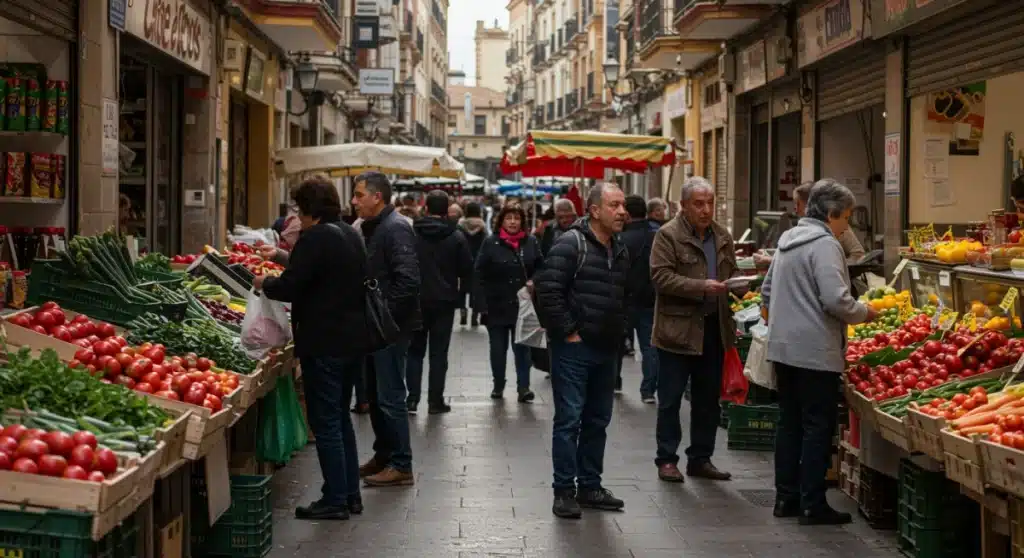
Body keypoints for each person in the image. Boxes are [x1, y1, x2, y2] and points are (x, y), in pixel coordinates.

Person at [761, 179, 876, 525]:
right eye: (846, 218)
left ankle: (786, 498)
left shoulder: (787, 240)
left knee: (790, 424)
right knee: (816, 426)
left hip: (783, 349)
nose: (846, 227)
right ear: (831, 214)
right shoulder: (825, 245)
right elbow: (836, 300)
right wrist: (865, 312)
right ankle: (813, 503)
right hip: (814, 351)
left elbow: (767, 291)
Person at [254, 177, 370, 520]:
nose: (297, 214)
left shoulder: (314, 238)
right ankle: (350, 494)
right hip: (352, 340)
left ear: (307, 208)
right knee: (340, 419)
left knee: (326, 422)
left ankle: (335, 499)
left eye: (298, 207)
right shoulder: (349, 233)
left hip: (324, 342)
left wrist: (265, 283)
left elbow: (293, 285)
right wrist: (279, 256)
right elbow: (321, 274)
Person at [534, 182, 630, 520]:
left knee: (597, 420)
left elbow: (622, 293)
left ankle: (590, 485)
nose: (622, 211)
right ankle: (564, 491)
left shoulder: (619, 247)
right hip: (575, 349)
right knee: (569, 420)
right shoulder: (570, 244)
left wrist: (621, 332)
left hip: (607, 348)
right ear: (594, 210)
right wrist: (568, 331)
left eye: (622, 205)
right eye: (615, 205)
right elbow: (547, 291)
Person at [650, 176, 743, 484]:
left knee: (707, 400)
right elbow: (661, 278)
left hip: (713, 330)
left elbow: (731, 272)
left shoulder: (722, 235)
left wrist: (744, 284)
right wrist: (700, 287)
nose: (706, 210)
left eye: (710, 203)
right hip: (676, 332)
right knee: (671, 399)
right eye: (698, 204)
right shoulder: (668, 235)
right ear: (684, 206)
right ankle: (667, 459)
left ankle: (700, 458)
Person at [351, 171, 420, 487]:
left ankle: (401, 463)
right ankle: (384, 454)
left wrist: (385, 319)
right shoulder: (376, 227)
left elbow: (407, 281)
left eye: (359, 194)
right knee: (377, 396)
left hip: (389, 329)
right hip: (376, 327)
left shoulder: (396, 230)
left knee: (391, 395)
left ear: (376, 197)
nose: (354, 201)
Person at [406, 190, 474, 415]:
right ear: (447, 210)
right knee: (439, 353)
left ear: (425, 208)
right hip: (444, 301)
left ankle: (412, 399)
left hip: (416, 299)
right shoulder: (456, 235)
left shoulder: (413, 233)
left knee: (415, 352)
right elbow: (467, 270)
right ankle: (435, 401)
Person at [474, 204, 543, 402]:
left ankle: (524, 387)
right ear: (501, 221)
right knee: (498, 348)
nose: (513, 222)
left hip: (523, 305)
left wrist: (534, 281)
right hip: (496, 304)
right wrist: (481, 305)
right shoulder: (491, 243)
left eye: (517, 218)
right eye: (509, 218)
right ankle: (498, 384)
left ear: (522, 221)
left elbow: (541, 267)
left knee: (523, 348)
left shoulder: (530, 242)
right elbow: (479, 273)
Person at [754, 182, 865, 266]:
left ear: (810, 204)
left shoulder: (838, 226)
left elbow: (858, 254)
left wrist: (837, 266)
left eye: (798, 204)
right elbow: (799, 259)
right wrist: (770, 254)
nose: (795, 209)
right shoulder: (800, 230)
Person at [619, 195, 660, 403]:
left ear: (627, 213)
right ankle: (648, 390)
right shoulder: (656, 237)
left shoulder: (619, 238)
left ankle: (614, 382)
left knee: (616, 342)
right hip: (650, 299)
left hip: (623, 299)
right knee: (649, 347)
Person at [459, 202, 488, 327]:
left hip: (463, 260)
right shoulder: (482, 225)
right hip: (478, 260)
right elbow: (486, 243)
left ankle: (462, 312)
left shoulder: (460, 225)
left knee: (462, 289)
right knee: (476, 290)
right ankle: (474, 316)